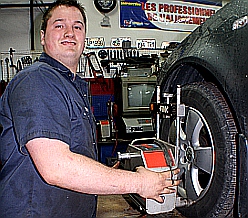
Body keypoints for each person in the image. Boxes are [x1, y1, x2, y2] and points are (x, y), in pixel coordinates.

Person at [0, 0, 180, 217]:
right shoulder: (37, 79)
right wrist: (140, 183)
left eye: (77, 26)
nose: (70, 32)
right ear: (42, 37)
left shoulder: (72, 87)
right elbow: (57, 167)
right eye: (59, 25)